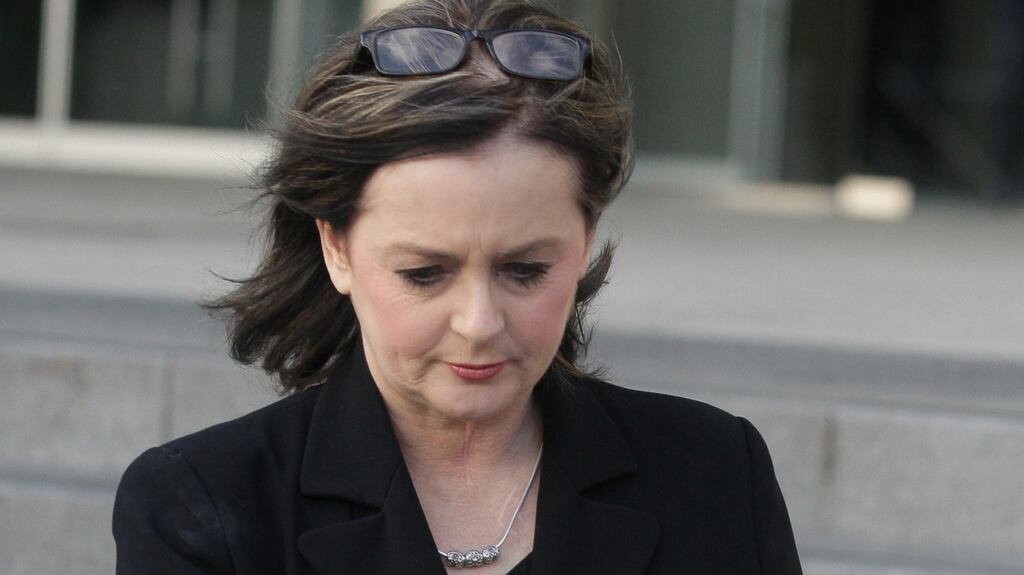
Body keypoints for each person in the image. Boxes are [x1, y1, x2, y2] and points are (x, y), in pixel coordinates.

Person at [112, 0, 803, 573]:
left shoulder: (715, 473)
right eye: (425, 273)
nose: (478, 321)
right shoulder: (202, 502)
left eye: (525, 270)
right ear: (337, 247)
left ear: (585, 241)